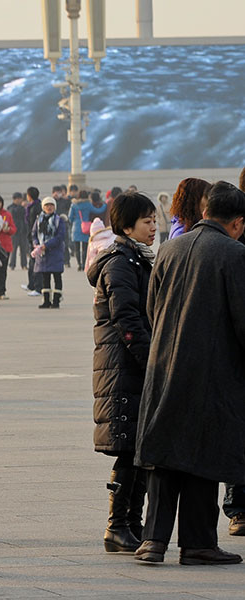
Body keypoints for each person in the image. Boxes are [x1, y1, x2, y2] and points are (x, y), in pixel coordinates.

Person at [134, 181, 245, 565]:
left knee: (164, 452)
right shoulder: (234, 254)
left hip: (163, 366)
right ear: (238, 222)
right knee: (204, 454)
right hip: (211, 371)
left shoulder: (168, 249)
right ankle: (198, 542)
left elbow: (152, 309)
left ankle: (153, 541)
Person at [86, 192, 157, 554]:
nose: (154, 228)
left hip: (131, 367)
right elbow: (127, 319)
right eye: (147, 221)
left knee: (138, 448)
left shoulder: (137, 260)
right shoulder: (119, 264)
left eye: (155, 220)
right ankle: (117, 524)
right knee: (129, 449)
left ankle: (131, 521)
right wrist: (153, 361)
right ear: (126, 226)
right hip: (124, 368)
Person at [31, 196, 68, 309]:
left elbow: (60, 236)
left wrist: (46, 245)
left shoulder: (58, 220)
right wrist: (36, 244)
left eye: (51, 205)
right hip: (43, 254)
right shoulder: (39, 220)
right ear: (43, 207)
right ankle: (46, 301)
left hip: (55, 252)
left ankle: (56, 301)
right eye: (47, 205)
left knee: (57, 277)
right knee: (45, 278)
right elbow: (34, 234)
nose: (49, 207)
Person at [69, 193, 101, 271]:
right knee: (84, 248)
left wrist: (74, 221)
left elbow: (70, 217)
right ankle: (83, 264)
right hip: (86, 227)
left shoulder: (73, 205)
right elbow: (97, 211)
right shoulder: (88, 204)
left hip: (76, 227)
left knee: (77, 248)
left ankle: (79, 264)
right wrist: (104, 206)